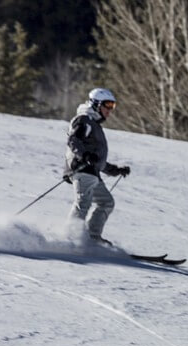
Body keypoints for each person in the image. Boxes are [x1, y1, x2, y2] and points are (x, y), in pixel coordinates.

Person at [63, 87, 131, 247]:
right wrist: (84, 156)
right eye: (107, 105)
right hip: (81, 169)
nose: (110, 110)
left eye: (112, 106)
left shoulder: (94, 124)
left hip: (92, 172)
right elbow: (73, 140)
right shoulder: (84, 120)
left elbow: (97, 159)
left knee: (106, 202)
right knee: (83, 202)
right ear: (95, 104)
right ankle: (71, 238)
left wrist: (115, 170)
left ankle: (93, 237)